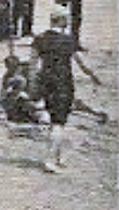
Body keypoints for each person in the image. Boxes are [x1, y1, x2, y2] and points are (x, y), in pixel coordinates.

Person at [32, 9, 100, 172]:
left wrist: (34, 85)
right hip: (63, 83)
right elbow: (82, 63)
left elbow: (32, 65)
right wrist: (94, 77)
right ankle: (50, 161)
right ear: (62, 20)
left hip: (46, 82)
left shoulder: (39, 39)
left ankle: (57, 157)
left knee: (55, 121)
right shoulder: (68, 40)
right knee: (59, 123)